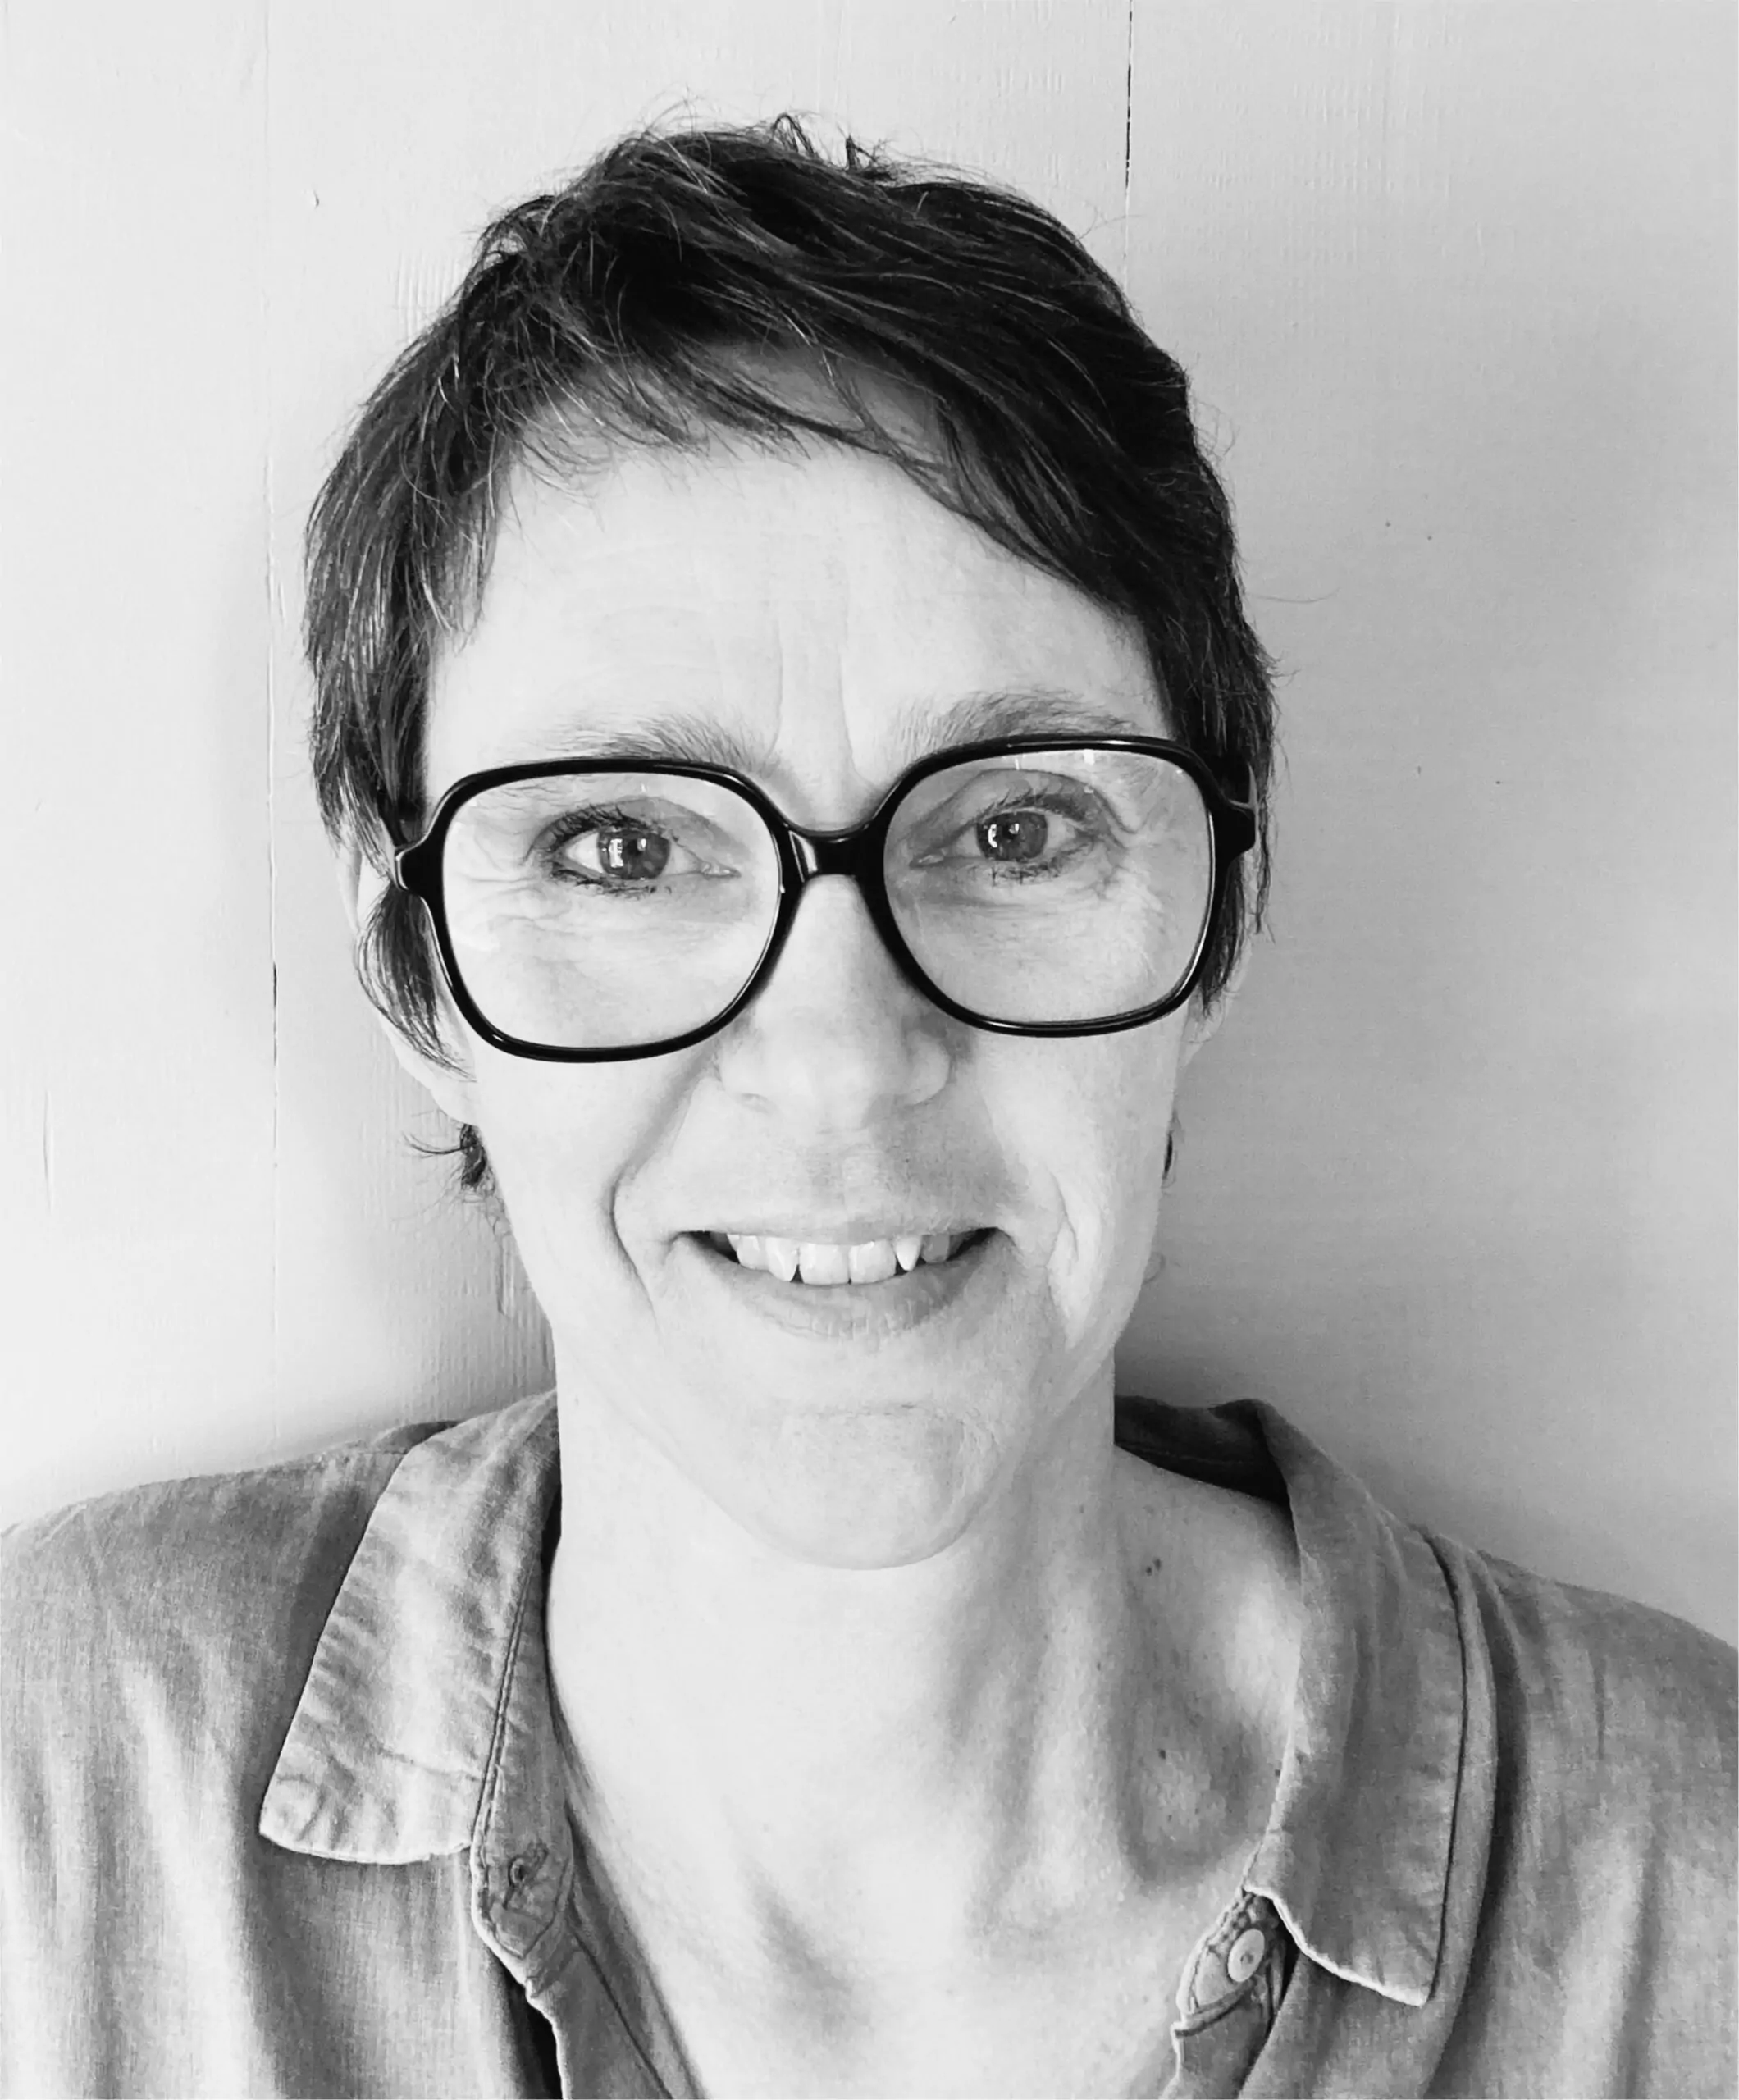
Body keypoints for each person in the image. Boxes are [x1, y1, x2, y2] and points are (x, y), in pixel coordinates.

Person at [2, 116, 1733, 2100]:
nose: (840, 1060)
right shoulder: (59, 1808)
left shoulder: (1689, 1900)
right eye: (623, 847)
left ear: (1220, 912)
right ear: (411, 964)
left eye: (1011, 829)